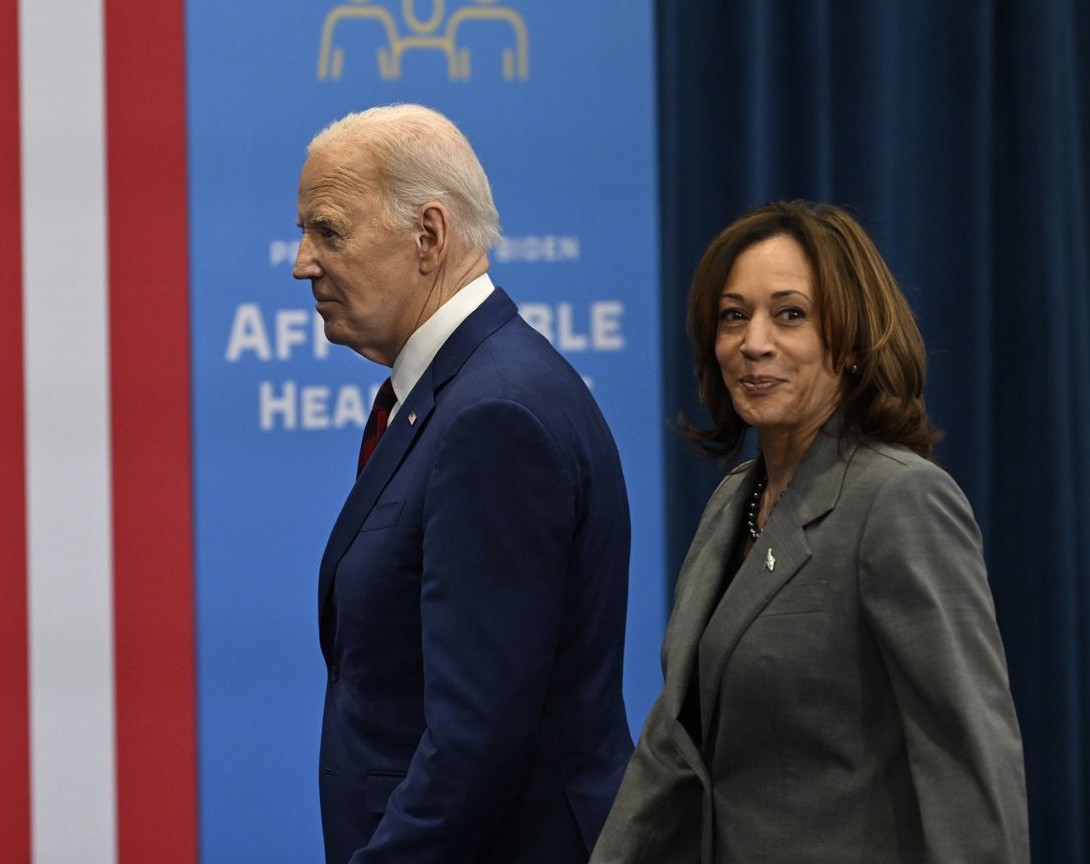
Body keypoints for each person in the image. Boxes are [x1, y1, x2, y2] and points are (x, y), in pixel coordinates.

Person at [591, 200, 1029, 863]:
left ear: (850, 342)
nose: (754, 342)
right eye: (734, 315)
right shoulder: (734, 499)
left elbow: (966, 759)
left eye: (789, 314)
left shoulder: (899, 499)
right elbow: (675, 743)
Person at [294, 103, 634, 864]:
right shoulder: (456, 396)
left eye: (328, 231)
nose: (302, 263)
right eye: (304, 234)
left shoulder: (496, 416)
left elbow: (476, 737)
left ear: (430, 236)